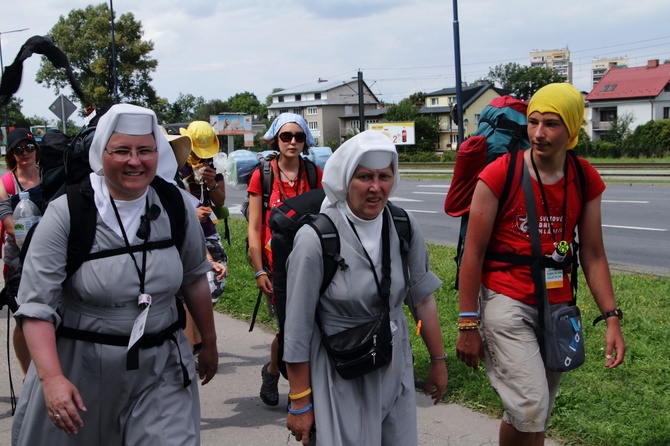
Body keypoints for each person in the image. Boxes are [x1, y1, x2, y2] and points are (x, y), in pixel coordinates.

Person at [11, 104, 218, 445]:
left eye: (145, 150)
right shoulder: (68, 213)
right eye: (122, 150)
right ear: (102, 152)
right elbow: (36, 306)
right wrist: (51, 380)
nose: (134, 161)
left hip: (161, 367)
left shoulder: (175, 205)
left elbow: (194, 276)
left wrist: (208, 342)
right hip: (82, 369)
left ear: (158, 153)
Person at [455, 83, 626, 446]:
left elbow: (593, 254)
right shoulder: (500, 173)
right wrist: (468, 322)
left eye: (551, 124)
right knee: (531, 404)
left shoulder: (584, 178)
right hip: (506, 300)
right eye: (533, 122)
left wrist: (611, 317)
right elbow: (473, 253)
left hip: (556, 307)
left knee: (533, 410)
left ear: (572, 130)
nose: (539, 133)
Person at [283, 130, 448, 445]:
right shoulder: (315, 238)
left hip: (394, 364)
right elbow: (297, 329)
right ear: (346, 179)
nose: (376, 187)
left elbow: (422, 300)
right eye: (364, 177)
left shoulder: (402, 225)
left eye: (384, 176)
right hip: (340, 371)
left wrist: (437, 361)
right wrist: (300, 400)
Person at [247, 112, 323, 407]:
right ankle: (289, 385)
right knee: (290, 328)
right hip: (275, 266)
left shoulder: (315, 174)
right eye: (286, 136)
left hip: (310, 264)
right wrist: (258, 270)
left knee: (308, 325)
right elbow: (255, 227)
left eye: (298, 136)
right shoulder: (262, 175)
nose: (292, 142)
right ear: (276, 139)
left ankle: (281, 373)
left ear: (306, 140)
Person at [0, 128, 42, 377]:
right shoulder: (6, 183)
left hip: (51, 256)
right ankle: (28, 376)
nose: (24, 153)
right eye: (18, 149)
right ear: (12, 155)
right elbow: (8, 224)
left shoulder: (50, 174)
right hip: (18, 260)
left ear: (36, 149)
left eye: (28, 147)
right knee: (22, 319)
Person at [178, 121, 228, 305]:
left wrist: (211, 184)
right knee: (187, 294)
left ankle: (200, 328)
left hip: (208, 231)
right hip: (186, 234)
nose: (201, 159)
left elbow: (220, 201)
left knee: (214, 285)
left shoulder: (213, 169)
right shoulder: (178, 169)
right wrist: (193, 213)